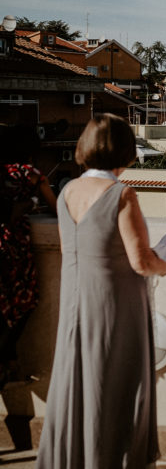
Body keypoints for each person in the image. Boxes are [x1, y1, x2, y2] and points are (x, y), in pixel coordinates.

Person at [36, 113, 166, 468]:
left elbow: (72, 251)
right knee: (115, 382)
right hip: (115, 305)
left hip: (75, 303)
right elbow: (142, 262)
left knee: (79, 380)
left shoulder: (67, 191)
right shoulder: (121, 195)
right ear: (126, 151)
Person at [0, 124, 58, 389]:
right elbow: (58, 208)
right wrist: (35, 203)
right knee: (25, 300)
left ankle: (9, 364)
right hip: (17, 245)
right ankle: (8, 362)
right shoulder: (32, 174)